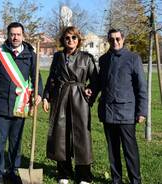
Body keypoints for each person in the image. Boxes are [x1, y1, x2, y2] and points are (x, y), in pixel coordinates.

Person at [0, 22, 43, 184]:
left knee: (16, 141)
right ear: (7, 35)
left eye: (18, 34)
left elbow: (37, 78)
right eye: (12, 34)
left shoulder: (31, 55)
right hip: (0, 105)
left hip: (20, 105)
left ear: (23, 36)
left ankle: (13, 170)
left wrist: (39, 93)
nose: (15, 37)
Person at [42, 26, 98, 184]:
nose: (70, 41)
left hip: (80, 99)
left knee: (82, 136)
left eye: (74, 38)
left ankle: (84, 175)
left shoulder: (86, 58)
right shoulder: (58, 57)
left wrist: (90, 91)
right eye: (67, 38)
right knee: (61, 134)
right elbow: (52, 78)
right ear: (63, 40)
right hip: (61, 97)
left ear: (78, 40)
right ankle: (64, 173)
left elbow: (95, 80)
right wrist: (46, 96)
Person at [97, 28, 148, 184]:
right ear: (108, 40)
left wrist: (142, 111)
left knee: (130, 150)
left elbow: (141, 87)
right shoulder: (103, 59)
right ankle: (116, 180)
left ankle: (135, 180)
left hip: (127, 113)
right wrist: (90, 90)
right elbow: (100, 82)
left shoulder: (133, 58)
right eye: (111, 39)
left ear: (123, 39)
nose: (115, 41)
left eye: (117, 38)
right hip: (108, 111)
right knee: (113, 151)